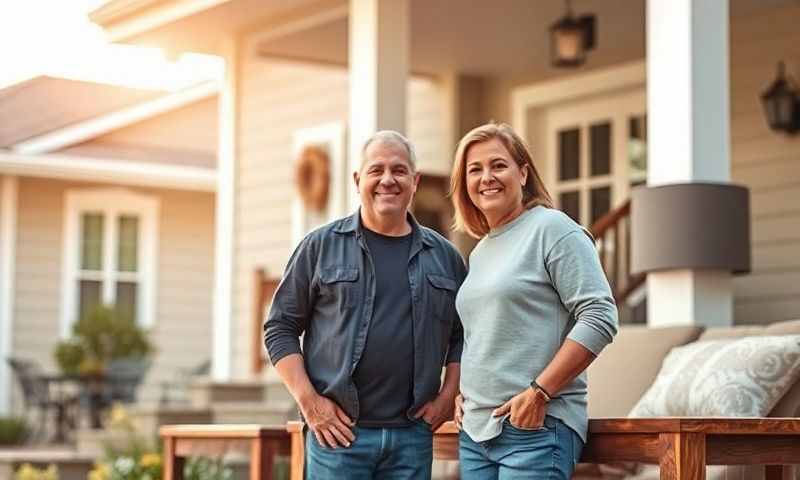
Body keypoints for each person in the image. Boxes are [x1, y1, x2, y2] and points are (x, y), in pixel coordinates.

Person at [265, 130, 466, 479]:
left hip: (412, 437)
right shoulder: (319, 247)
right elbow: (279, 328)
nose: (387, 180)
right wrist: (310, 403)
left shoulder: (445, 257)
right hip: (337, 437)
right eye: (377, 170)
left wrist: (449, 395)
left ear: (414, 181)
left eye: (399, 170)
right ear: (358, 180)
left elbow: (463, 335)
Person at [450, 122, 619, 479]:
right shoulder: (480, 252)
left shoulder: (553, 229)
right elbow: (482, 335)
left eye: (498, 165)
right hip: (476, 431)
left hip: (535, 429)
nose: (486, 177)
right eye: (474, 169)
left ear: (523, 173)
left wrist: (539, 393)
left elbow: (599, 315)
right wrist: (463, 392)